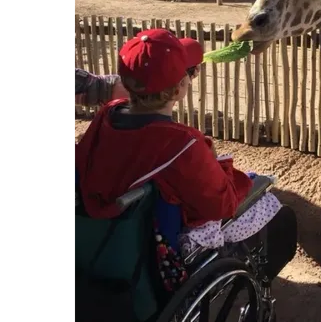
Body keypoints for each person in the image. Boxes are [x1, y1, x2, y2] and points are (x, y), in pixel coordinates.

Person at [74, 28, 297, 292]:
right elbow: (221, 205)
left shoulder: (107, 114)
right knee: (266, 201)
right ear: (179, 89)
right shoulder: (182, 144)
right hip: (159, 251)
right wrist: (220, 164)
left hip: (101, 239)